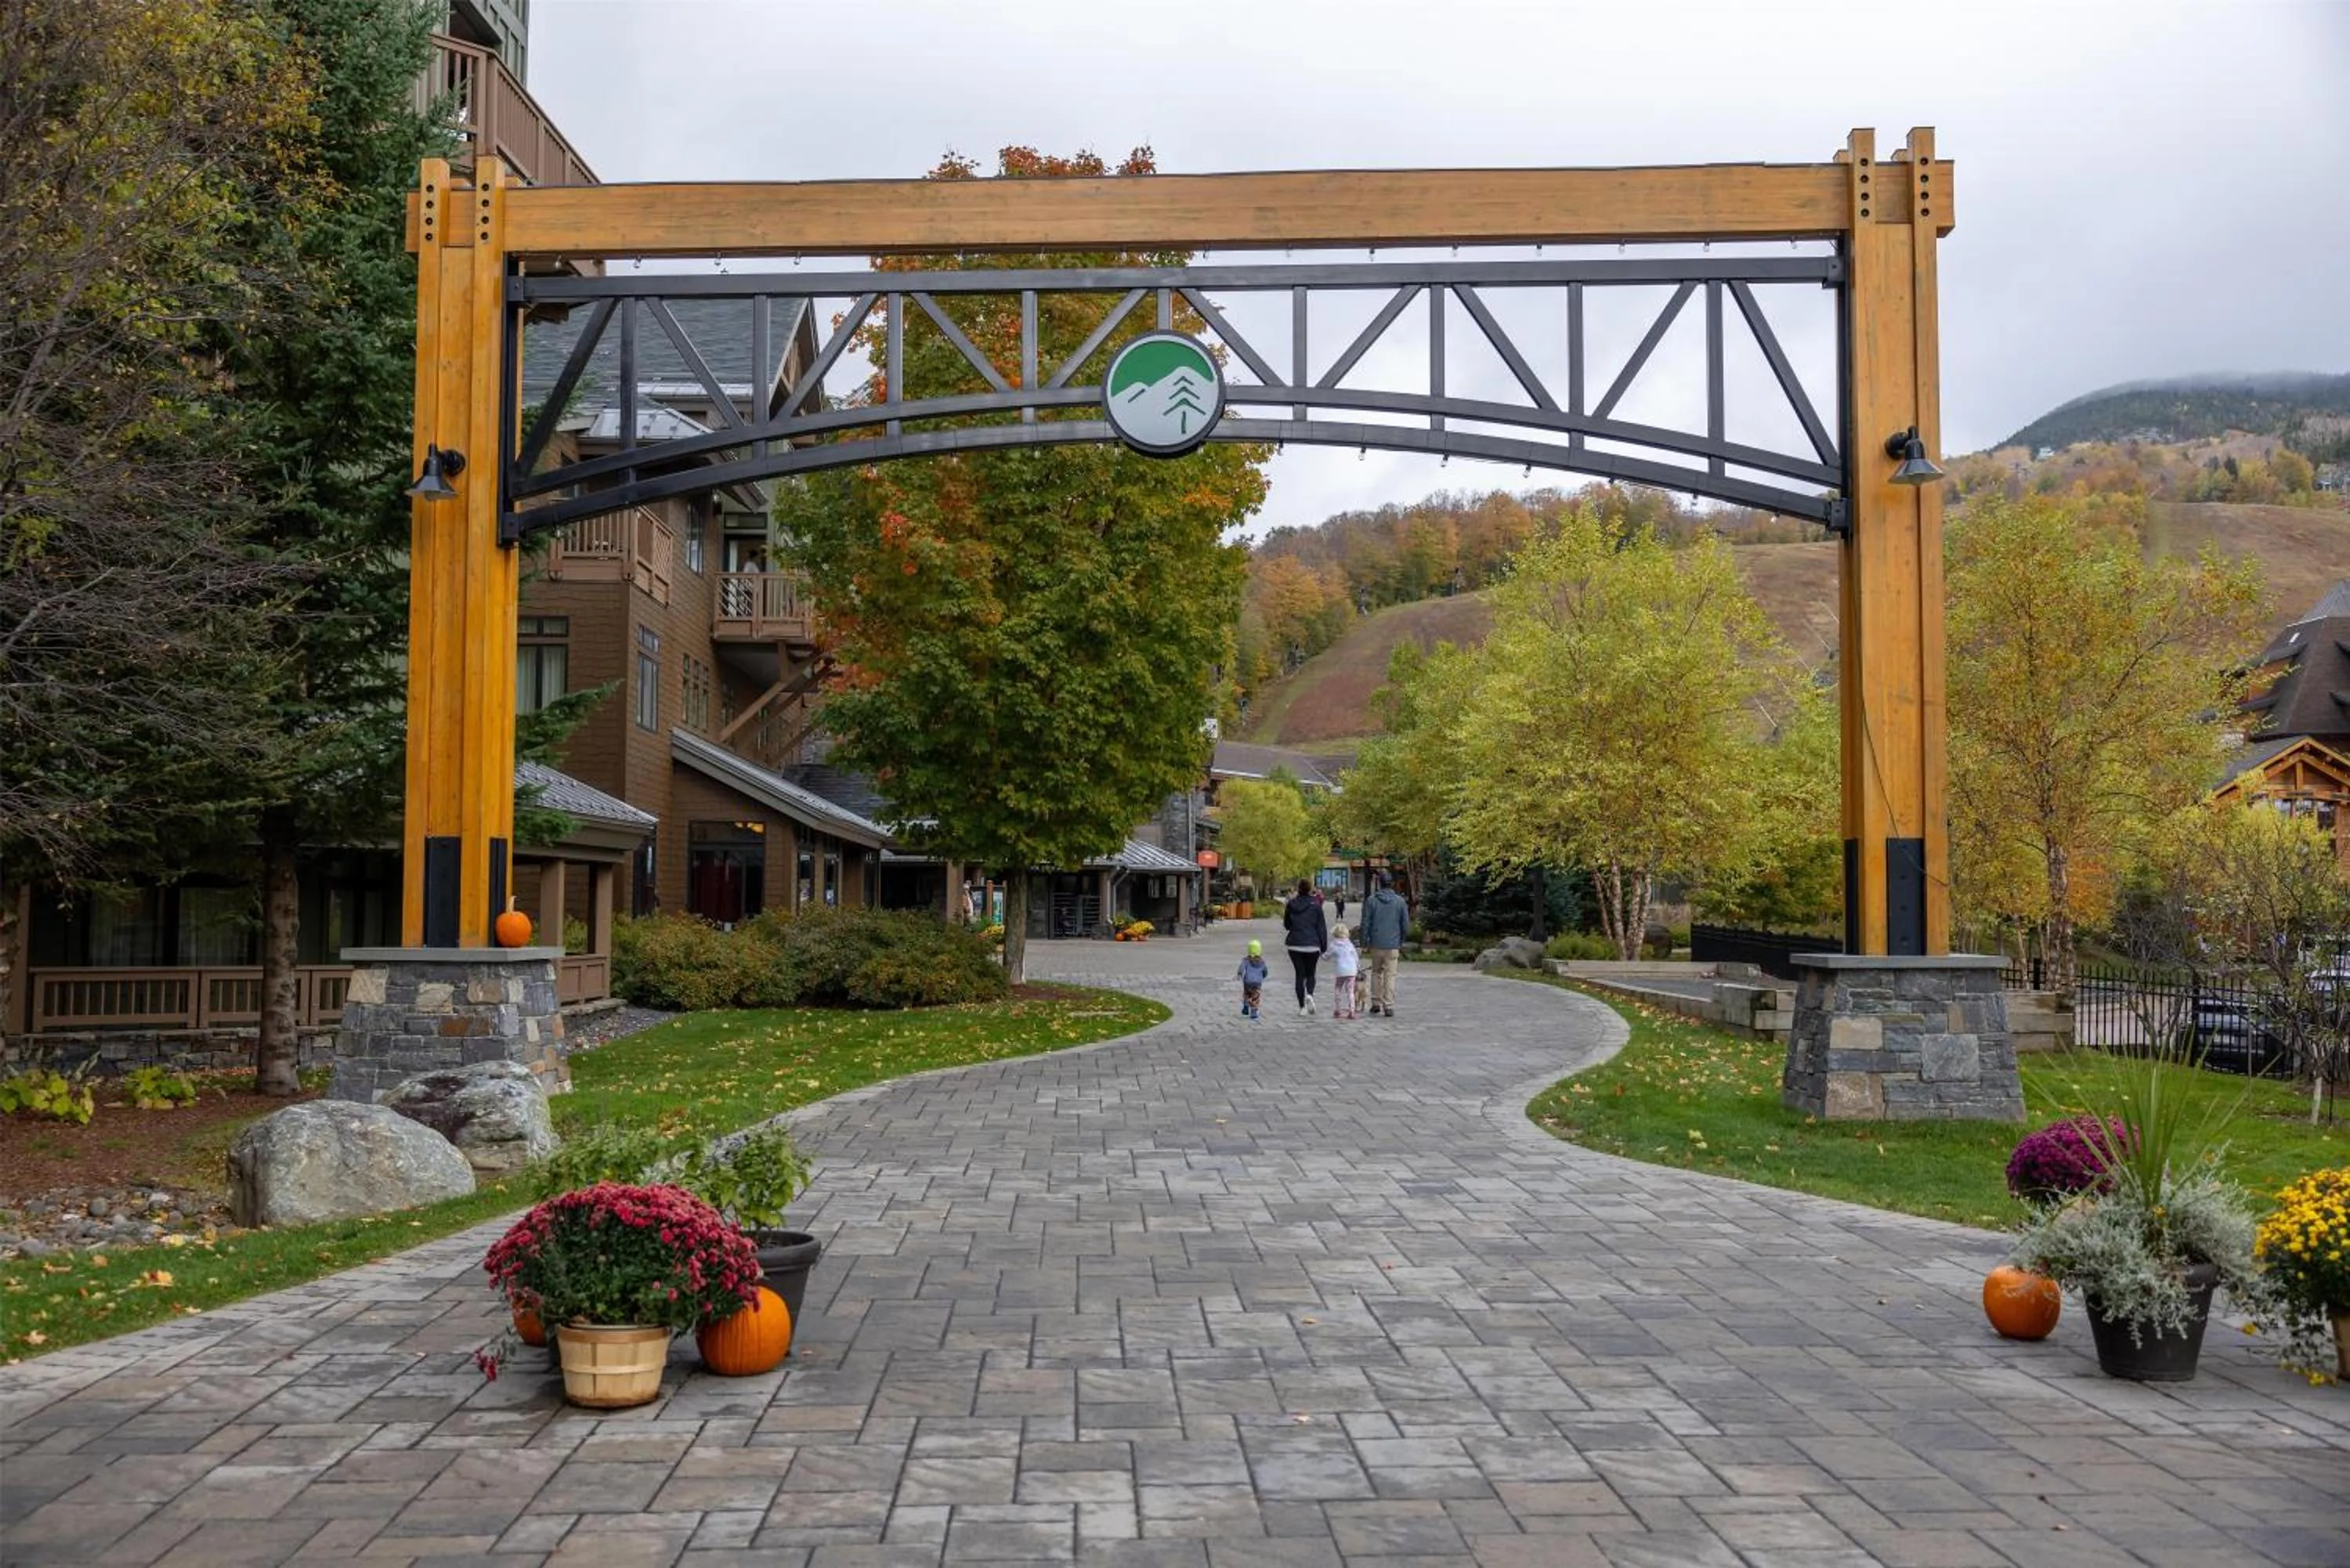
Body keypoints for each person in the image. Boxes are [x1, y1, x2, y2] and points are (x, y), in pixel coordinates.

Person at [1360, 871, 1409, 1017]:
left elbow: (1366, 923)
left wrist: (1364, 942)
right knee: (1390, 975)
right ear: (1392, 883)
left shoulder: (1372, 900)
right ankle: (1388, 1005)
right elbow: (1405, 924)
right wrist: (1401, 940)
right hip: (1393, 943)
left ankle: (1375, 1003)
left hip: (1376, 942)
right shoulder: (1400, 901)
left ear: (1379, 883)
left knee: (1376, 973)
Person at [1282, 877, 1329, 1016]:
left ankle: (1302, 1007)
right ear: (1310, 889)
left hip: (1295, 944)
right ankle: (1310, 994)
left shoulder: (1291, 904)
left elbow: (1287, 925)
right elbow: (1321, 927)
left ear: (1298, 888)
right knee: (1311, 973)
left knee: (1299, 974)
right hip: (1312, 945)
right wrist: (1323, 946)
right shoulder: (1316, 905)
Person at [1329, 923, 1361, 1020]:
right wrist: (1358, 967)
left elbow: (1327, 956)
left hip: (1341, 971)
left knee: (1338, 989)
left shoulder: (1333, 945)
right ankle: (1352, 1011)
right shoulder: (1350, 945)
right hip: (1351, 971)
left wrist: (1323, 956)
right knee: (1350, 991)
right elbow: (1356, 957)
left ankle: (1338, 1010)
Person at [1236, 939, 1268, 1021]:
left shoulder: (1246, 960)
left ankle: (1246, 1005)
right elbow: (1265, 971)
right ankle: (1253, 1012)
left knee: (1247, 993)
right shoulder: (1262, 961)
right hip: (1257, 982)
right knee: (1255, 996)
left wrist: (1239, 974)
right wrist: (1264, 976)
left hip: (1247, 981)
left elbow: (1242, 968)